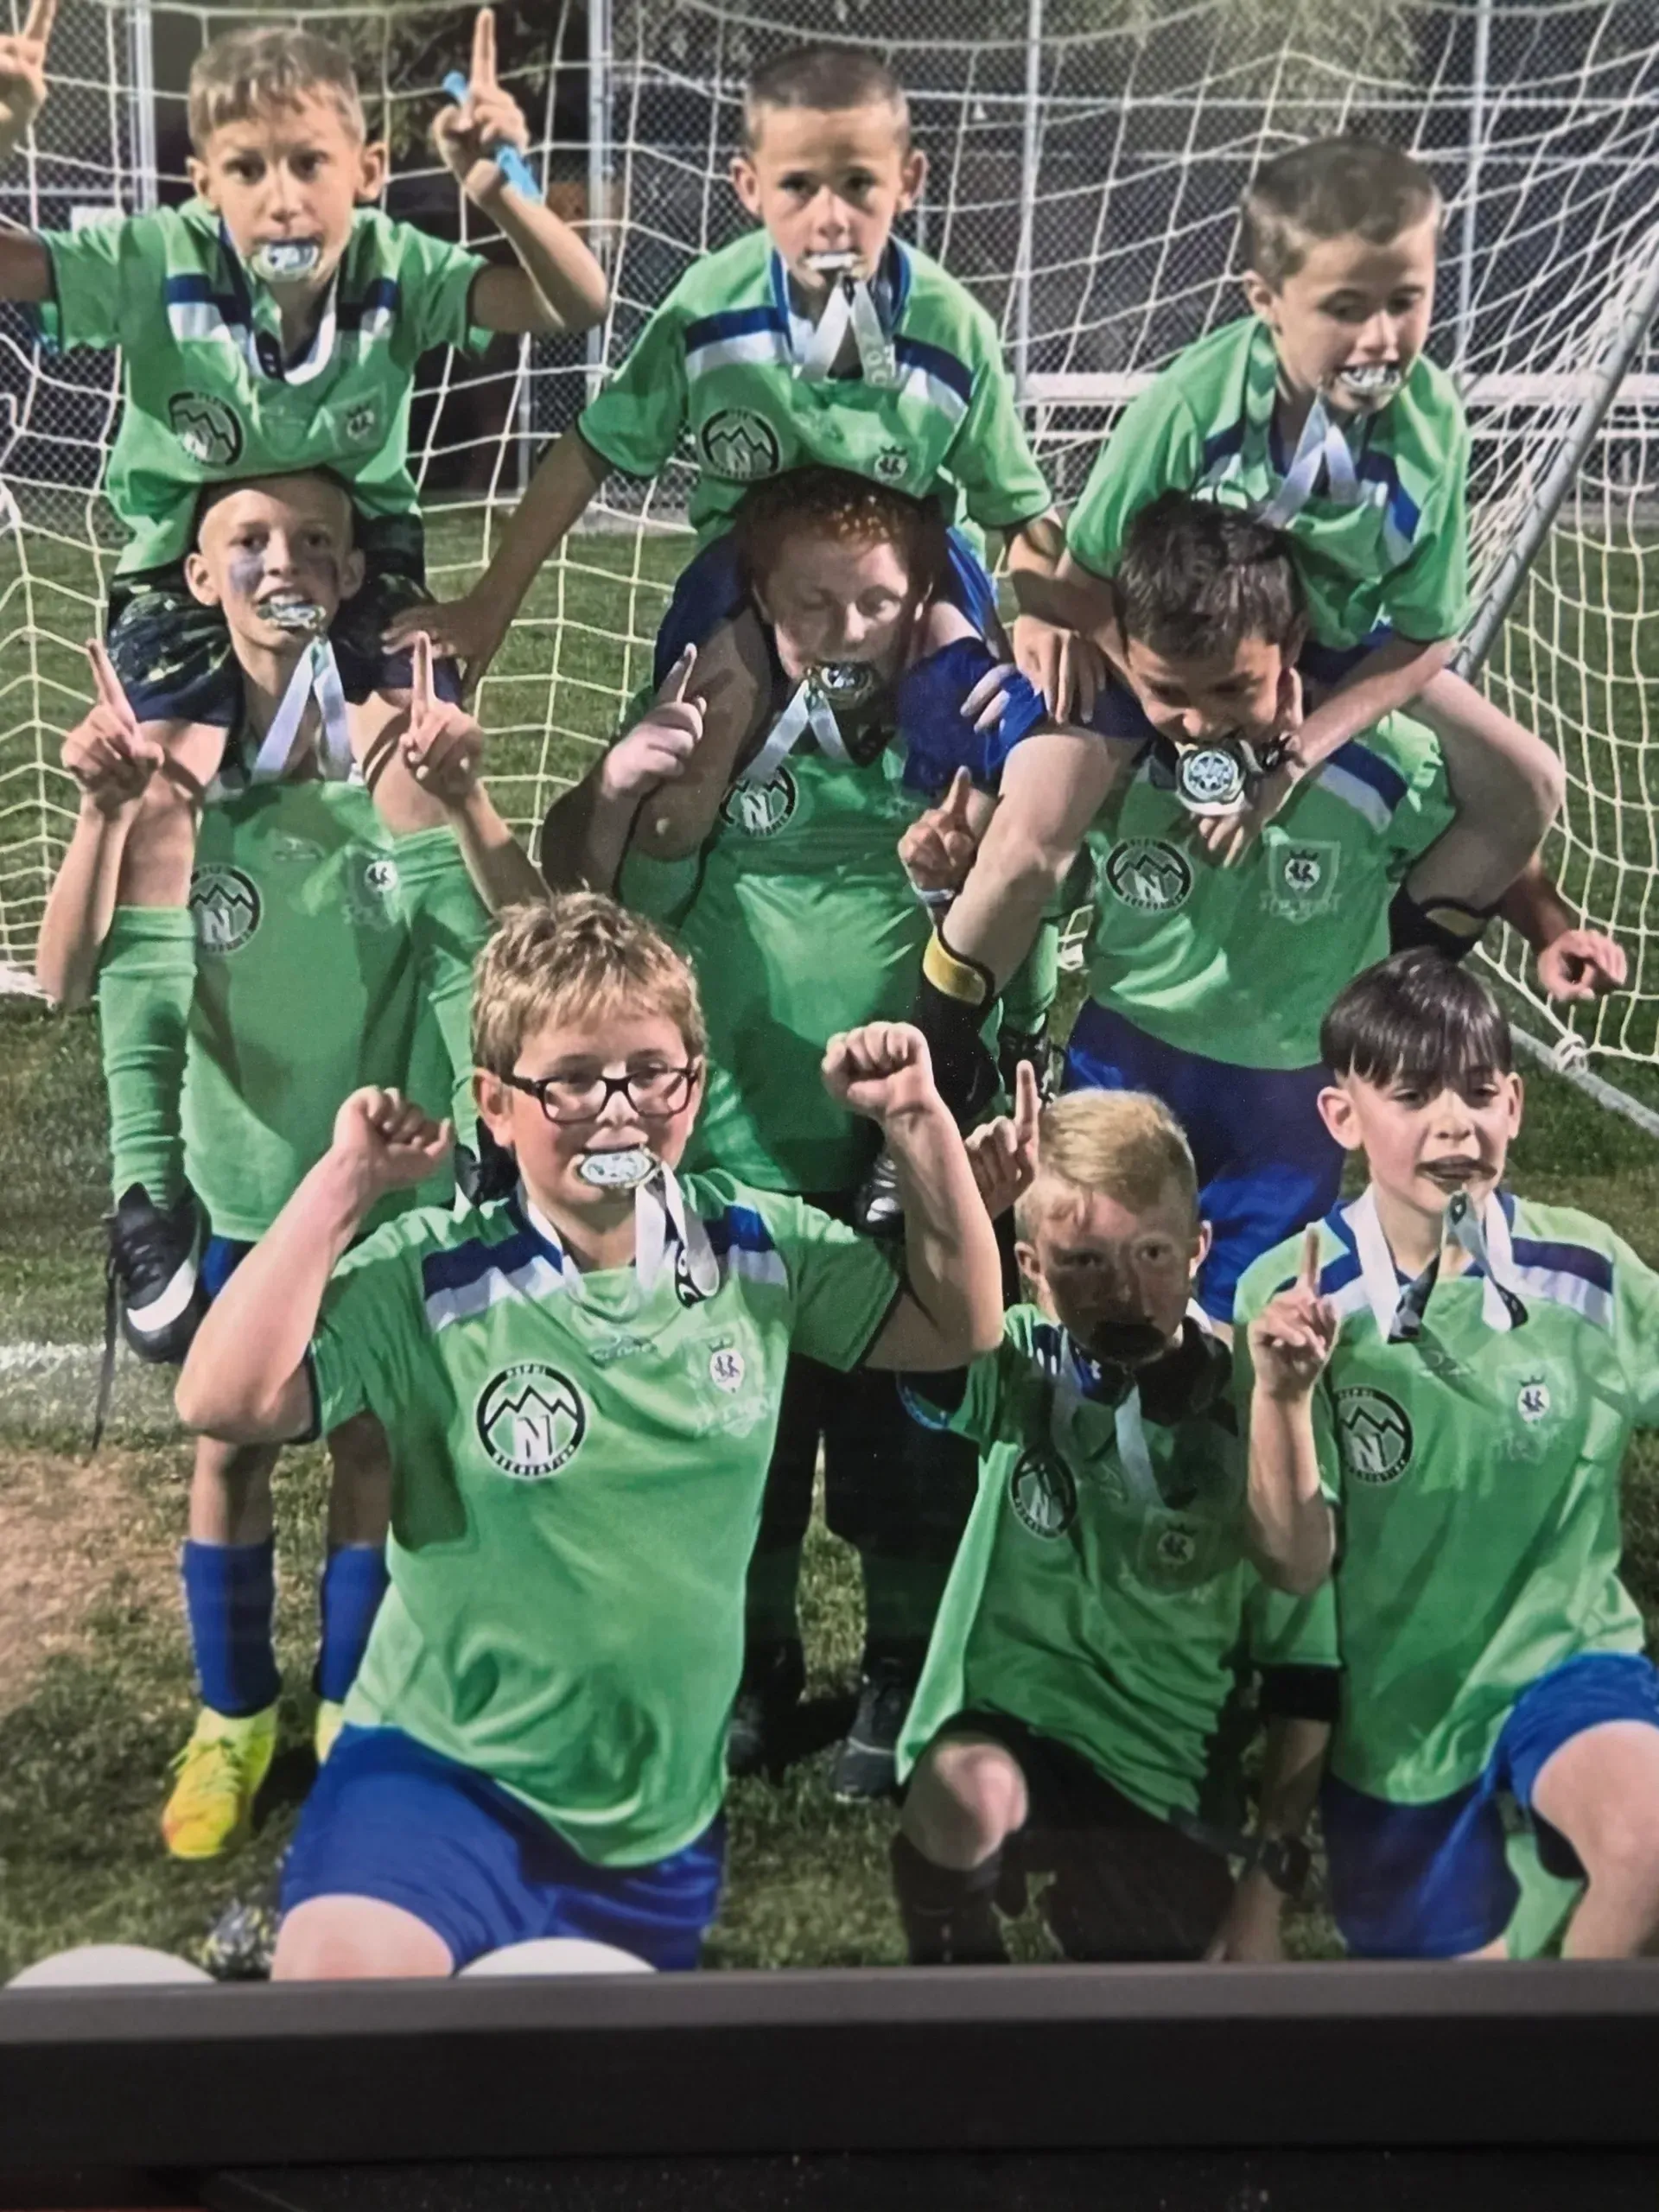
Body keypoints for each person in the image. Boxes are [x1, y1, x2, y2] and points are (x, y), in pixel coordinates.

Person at [175, 896, 1003, 1977]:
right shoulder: (432, 1276)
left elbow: (958, 1327)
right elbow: (223, 1400)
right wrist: (343, 1188)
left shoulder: (763, 1248)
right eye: (570, 1079)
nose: (616, 1110)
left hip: (649, 1827)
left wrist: (919, 1122)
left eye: (650, 1072)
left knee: (582, 2120)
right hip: (439, 1782)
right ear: (496, 1105)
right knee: (352, 2030)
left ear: (693, 1089)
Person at [0, 6, 607, 1356]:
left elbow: (574, 301)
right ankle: (151, 1183)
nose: (282, 194)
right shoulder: (153, 263)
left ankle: (491, 1134)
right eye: (249, 168)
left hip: (356, 558)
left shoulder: (399, 263)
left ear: (369, 169)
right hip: (185, 572)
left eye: (309, 164)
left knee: (423, 766)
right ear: (202, 184)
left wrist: (499, 187)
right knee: (158, 797)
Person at [533, 464, 1061, 1796]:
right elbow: (604, 910)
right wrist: (614, 795)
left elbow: (1023, 974)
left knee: (906, 1452)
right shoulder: (710, 748)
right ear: (758, 606)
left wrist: (968, 885)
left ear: (922, 607)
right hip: (730, 1165)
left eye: (873, 602)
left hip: (896, 1173)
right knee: (741, 1445)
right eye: (810, 602)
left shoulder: (960, 771)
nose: (841, 629)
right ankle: (755, 1668)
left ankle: (895, 1675)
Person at [36, 470, 499, 1859]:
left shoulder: (405, 755)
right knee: (228, 1449)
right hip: (245, 1194)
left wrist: (469, 1143)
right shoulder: (170, 778)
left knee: (370, 1441)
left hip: (386, 1185)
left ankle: (352, 1708)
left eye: (313, 543)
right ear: (197, 578)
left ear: (354, 580)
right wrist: (101, 821)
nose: (281, 562)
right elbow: (79, 990)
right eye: (248, 540)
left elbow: (473, 965)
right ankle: (232, 1715)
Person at [896, 493, 1562, 1322]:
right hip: (1122, 1063)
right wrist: (953, 869)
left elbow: (1523, 795)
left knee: (1244, 1331)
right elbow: (1042, 882)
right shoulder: (1123, 750)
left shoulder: (1380, 760)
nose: (1201, 721)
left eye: (1232, 686)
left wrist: (1378, 666)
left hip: (1286, 1102)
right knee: (1087, 1302)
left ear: (1291, 651)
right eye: (1170, 688)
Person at [388, 42, 1073, 719]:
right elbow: (591, 450)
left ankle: (974, 810)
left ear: (910, 179)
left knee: (975, 706)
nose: (830, 216)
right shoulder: (707, 310)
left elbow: (1018, 509)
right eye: (798, 186)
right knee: (688, 762)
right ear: (749, 185)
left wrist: (1049, 613)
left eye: (858, 183)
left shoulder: (952, 328)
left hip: (905, 574)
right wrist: (488, 605)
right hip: (749, 566)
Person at [1237, 950, 1659, 1961]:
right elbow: (1293, 1563)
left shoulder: (1587, 1270)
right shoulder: (1297, 1301)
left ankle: (1577, 2100)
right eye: (1413, 1095)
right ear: (1343, 1117)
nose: (1454, 1125)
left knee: (1644, 1842)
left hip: (1568, 1664)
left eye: (1477, 1092)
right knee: (1451, 2050)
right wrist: (1283, 1397)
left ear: (1516, 1104)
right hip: (1401, 1733)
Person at [893, 1081, 1337, 1965]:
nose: (1124, 1292)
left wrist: (1265, 1888)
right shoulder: (1018, 1363)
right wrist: (958, 1221)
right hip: (1006, 1731)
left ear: (1201, 1249)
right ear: (1030, 1272)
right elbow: (933, 1355)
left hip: (1161, 1783)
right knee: (966, 1792)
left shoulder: (1265, 1406)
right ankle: (956, 1992)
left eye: (1152, 1253)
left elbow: (1307, 1678)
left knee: (1150, 2064)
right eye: (1084, 1262)